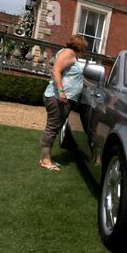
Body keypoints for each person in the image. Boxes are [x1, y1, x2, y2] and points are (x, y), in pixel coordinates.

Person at [39, 35, 88, 171]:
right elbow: (56, 70)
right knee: (52, 128)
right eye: (84, 48)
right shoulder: (69, 53)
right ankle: (45, 160)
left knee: (54, 127)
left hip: (62, 98)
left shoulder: (68, 54)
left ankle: (46, 157)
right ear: (80, 47)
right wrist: (61, 91)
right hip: (58, 98)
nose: (84, 51)